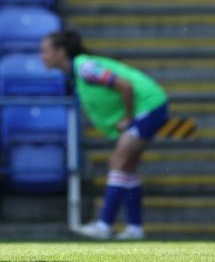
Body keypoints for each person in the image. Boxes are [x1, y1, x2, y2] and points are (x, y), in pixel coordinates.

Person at [40, 30, 169, 241]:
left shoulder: (85, 67)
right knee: (127, 166)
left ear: (60, 52)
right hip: (149, 106)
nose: (42, 56)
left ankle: (104, 225)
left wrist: (127, 118)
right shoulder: (79, 70)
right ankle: (135, 228)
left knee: (118, 161)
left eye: (45, 51)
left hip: (149, 106)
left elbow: (124, 85)